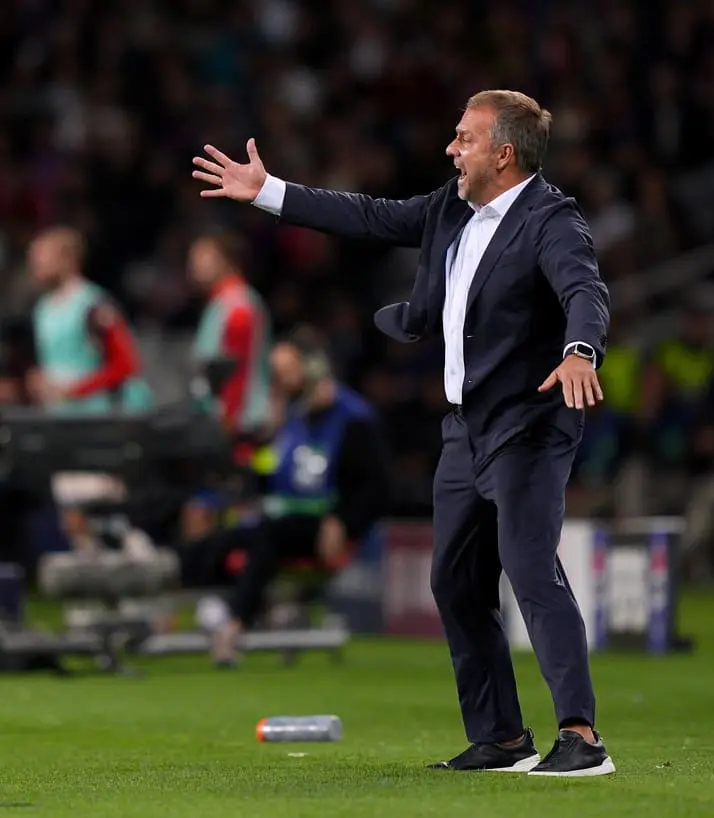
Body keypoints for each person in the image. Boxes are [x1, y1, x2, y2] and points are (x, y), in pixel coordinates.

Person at [192, 89, 615, 776]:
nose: (452, 149)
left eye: (464, 138)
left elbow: (584, 292)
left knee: (530, 566)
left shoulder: (551, 220)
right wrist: (268, 191)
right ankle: (503, 738)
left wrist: (581, 350)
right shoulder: (452, 206)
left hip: (528, 423)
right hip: (465, 429)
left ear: (503, 154)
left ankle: (582, 736)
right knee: (453, 582)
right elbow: (368, 216)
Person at [194, 326, 392, 665]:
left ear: (313, 369)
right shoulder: (293, 417)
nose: (280, 381)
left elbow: (377, 487)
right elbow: (271, 473)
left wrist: (343, 522)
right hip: (283, 517)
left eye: (287, 372)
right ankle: (206, 603)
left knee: (266, 534)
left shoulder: (354, 419)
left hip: (325, 524)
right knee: (221, 537)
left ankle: (234, 624)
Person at [26, 226, 153, 416]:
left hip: (94, 414)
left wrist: (77, 390)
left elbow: (126, 363)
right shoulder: (41, 309)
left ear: (67, 259)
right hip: (57, 414)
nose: (35, 262)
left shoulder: (93, 305)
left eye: (42, 255)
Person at [187, 230, 273, 460]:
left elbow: (237, 374)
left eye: (203, 256)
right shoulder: (220, 302)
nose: (193, 264)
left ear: (227, 260)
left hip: (236, 430)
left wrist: (228, 426)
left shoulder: (237, 307)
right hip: (220, 423)